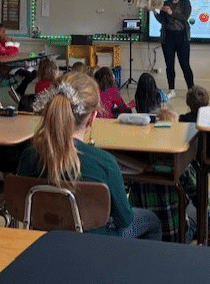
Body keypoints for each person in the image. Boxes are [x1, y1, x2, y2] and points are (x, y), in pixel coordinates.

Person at [16, 71, 161, 240]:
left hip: (46, 240)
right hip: (96, 244)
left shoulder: (28, 156)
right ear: (92, 118)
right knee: (153, 221)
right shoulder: (105, 162)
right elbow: (125, 219)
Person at [128, 107, 210, 243]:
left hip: (146, 235)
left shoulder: (135, 164)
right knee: (208, 196)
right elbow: (202, 200)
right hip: (178, 237)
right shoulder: (182, 166)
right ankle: (201, 235)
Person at [149, 0, 194, 98]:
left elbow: (185, 18)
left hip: (182, 37)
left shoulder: (185, 3)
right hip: (168, 37)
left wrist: (171, 12)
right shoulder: (165, 3)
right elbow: (161, 20)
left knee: (185, 65)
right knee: (169, 65)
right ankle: (171, 90)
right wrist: (154, 10)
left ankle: (191, 90)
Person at [0, 23, 37, 98]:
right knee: (28, 74)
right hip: (3, 68)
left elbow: (15, 52)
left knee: (34, 72)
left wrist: (10, 43)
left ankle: (19, 90)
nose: (5, 34)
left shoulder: (1, 43)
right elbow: (9, 53)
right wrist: (10, 43)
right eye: (2, 32)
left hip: (11, 65)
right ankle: (19, 91)